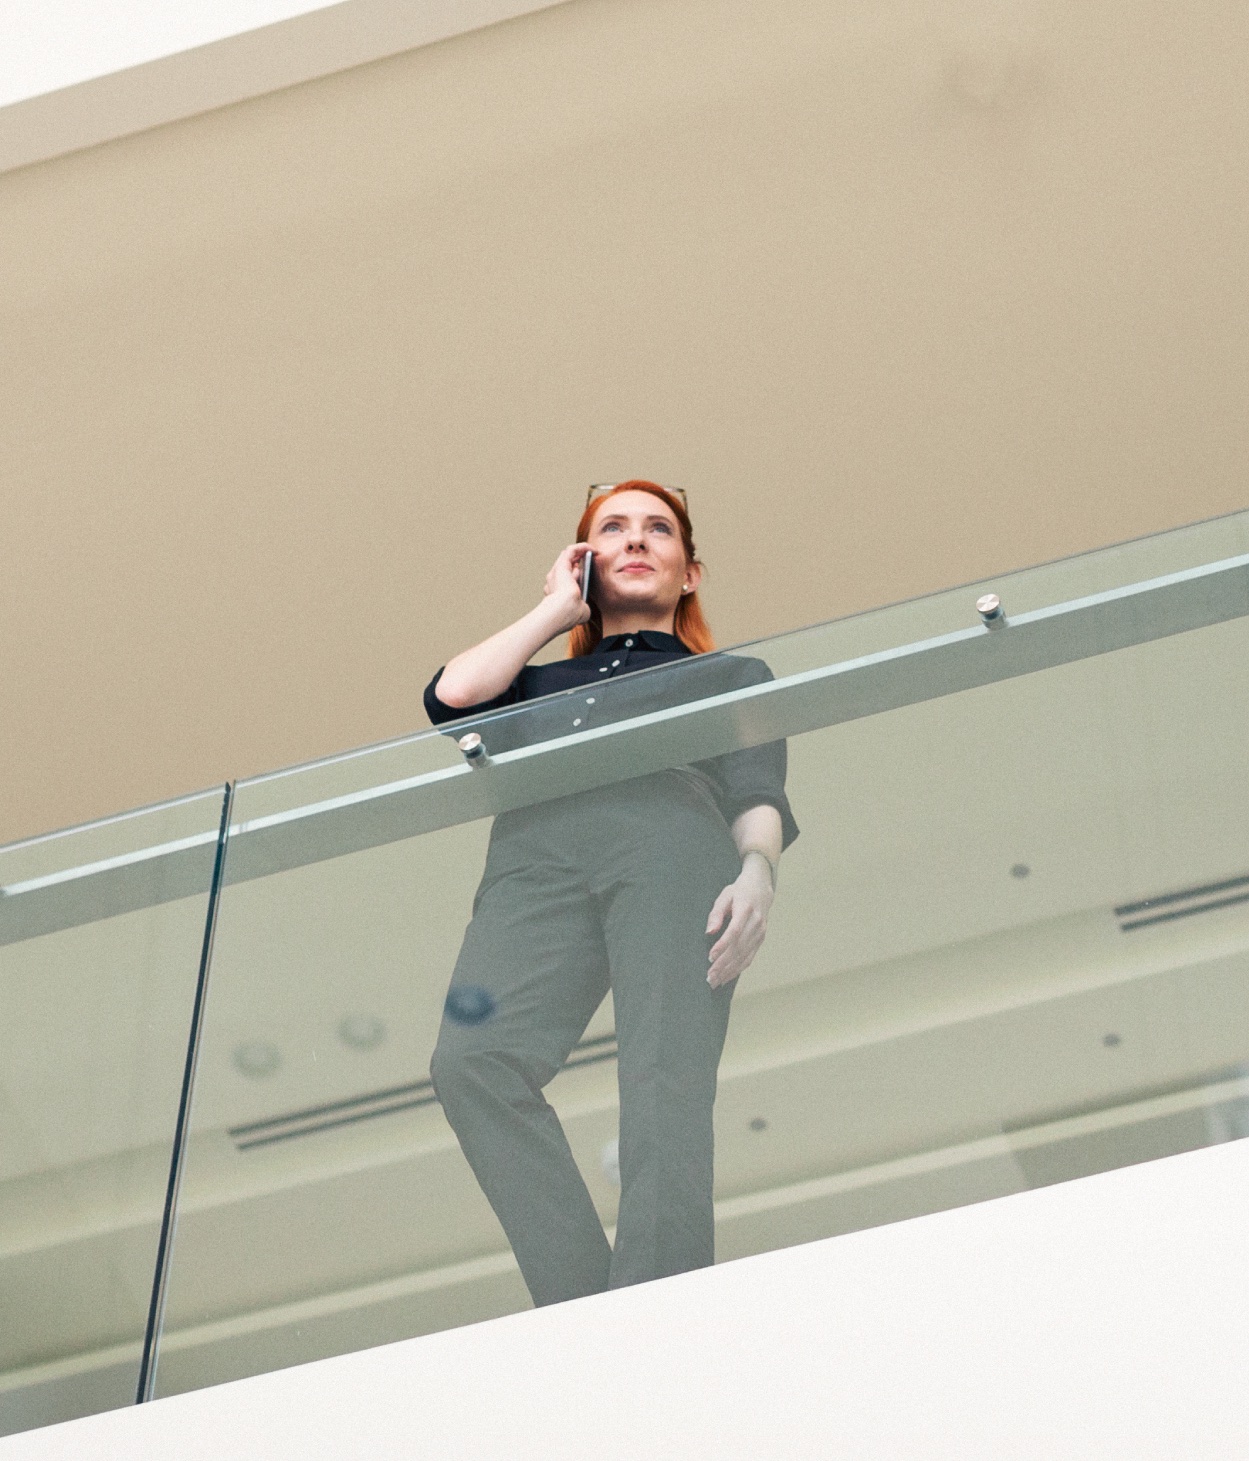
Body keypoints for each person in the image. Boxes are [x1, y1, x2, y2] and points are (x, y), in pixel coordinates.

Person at [424, 481, 798, 1306]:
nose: (635, 540)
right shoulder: (533, 683)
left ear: (689, 570)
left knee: (664, 1066)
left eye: (656, 529)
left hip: (667, 840)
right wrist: (556, 608)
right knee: (470, 1061)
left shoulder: (729, 673)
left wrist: (757, 871)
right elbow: (450, 700)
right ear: (586, 558)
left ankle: (658, 1302)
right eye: (613, 529)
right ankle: (583, 1304)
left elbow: (755, 786)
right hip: (533, 859)